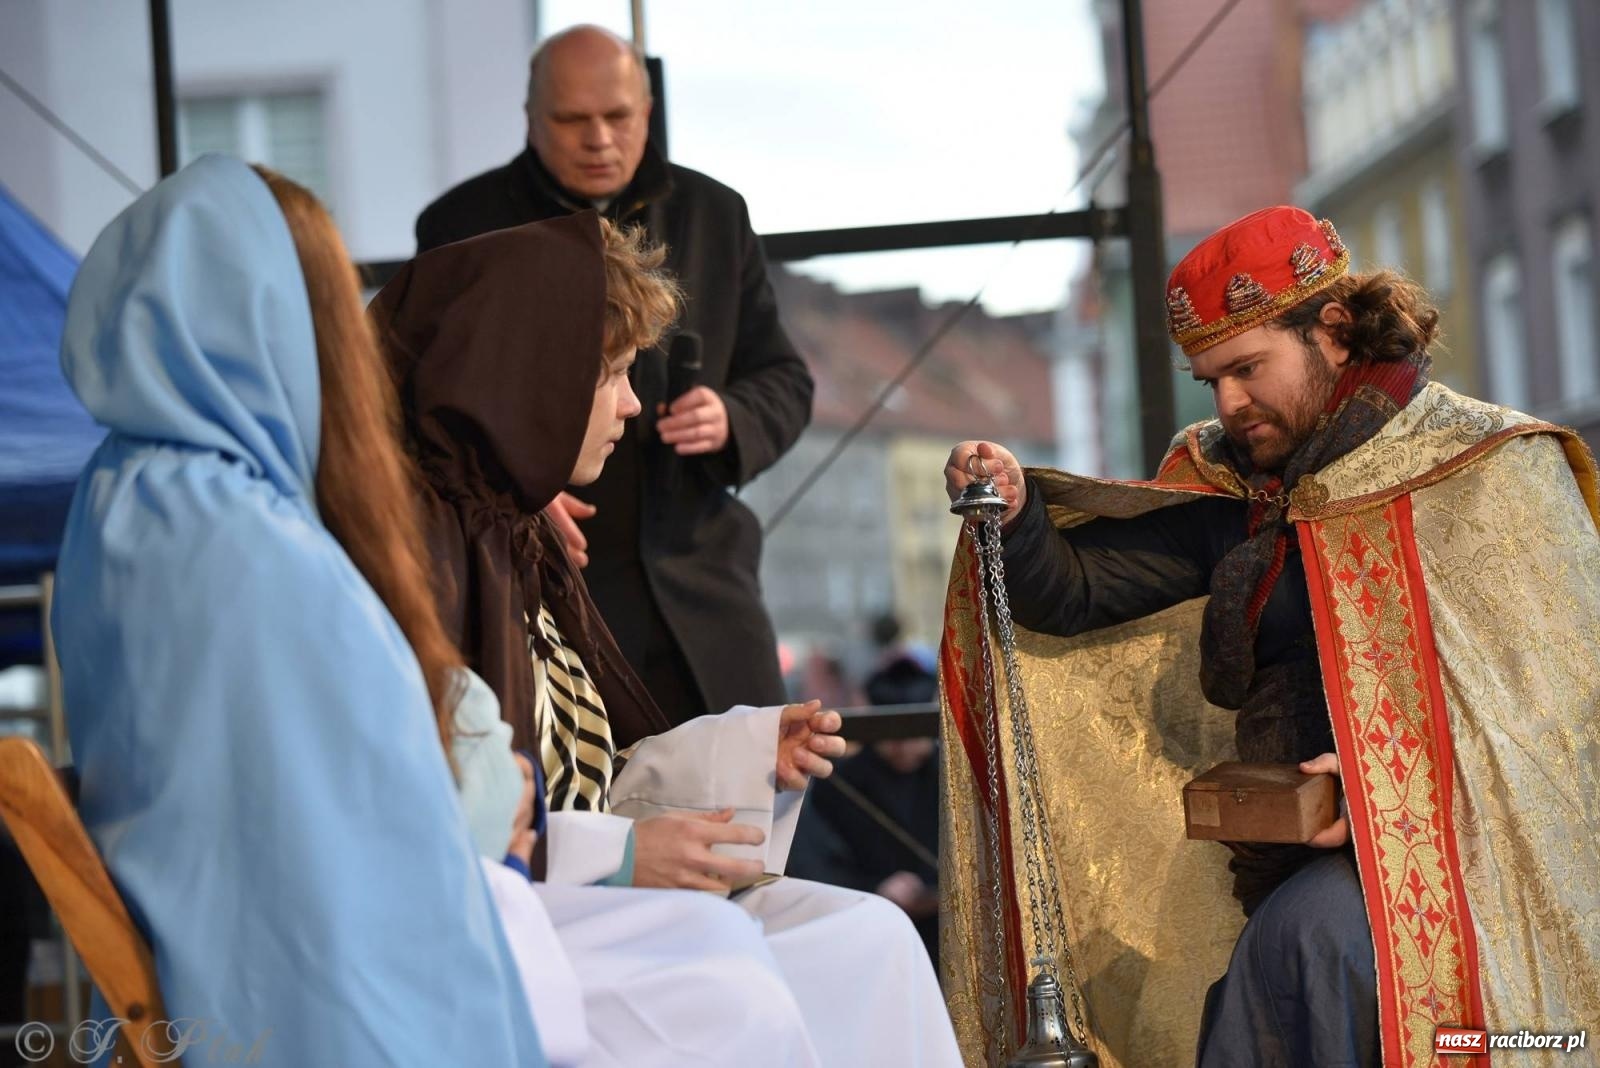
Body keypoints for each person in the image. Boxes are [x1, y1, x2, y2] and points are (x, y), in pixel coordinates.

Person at [941, 206, 1600, 1067]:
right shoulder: (1242, 490)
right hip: (1287, 850)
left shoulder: (1490, 467)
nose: (1229, 402)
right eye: (1209, 379)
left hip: (1481, 873)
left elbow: (1565, 714)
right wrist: (1020, 512)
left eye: (1248, 369)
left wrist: (1378, 796)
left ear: (1332, 329)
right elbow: (1074, 594)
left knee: (1309, 948)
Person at [372, 210, 962, 1068]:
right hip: (520, 929)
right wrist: (615, 860)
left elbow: (584, 774)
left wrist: (745, 752)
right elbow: (435, 827)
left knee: (874, 936)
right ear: (525, 380)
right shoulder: (430, 556)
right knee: (731, 994)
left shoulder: (510, 537)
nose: (632, 403)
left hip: (585, 894)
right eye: (608, 373)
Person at [49, 156, 544, 1065]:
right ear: (281, 321)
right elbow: (369, 853)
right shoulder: (243, 541)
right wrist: (496, 806)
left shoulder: (125, 497)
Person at [414, 24, 811, 724]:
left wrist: (733, 416)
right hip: (552, 580)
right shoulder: (462, 226)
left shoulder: (714, 214)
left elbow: (783, 377)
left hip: (702, 581)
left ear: (647, 112)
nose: (598, 138)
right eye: (572, 120)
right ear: (532, 119)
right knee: (595, 811)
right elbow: (424, 407)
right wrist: (511, 492)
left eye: (618, 117)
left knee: (754, 793)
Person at [788, 654, 942, 969]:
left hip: (948, 929)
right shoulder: (841, 782)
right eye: (892, 739)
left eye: (914, 736)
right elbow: (818, 862)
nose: (903, 748)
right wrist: (875, 888)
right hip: (869, 929)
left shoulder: (955, 778)